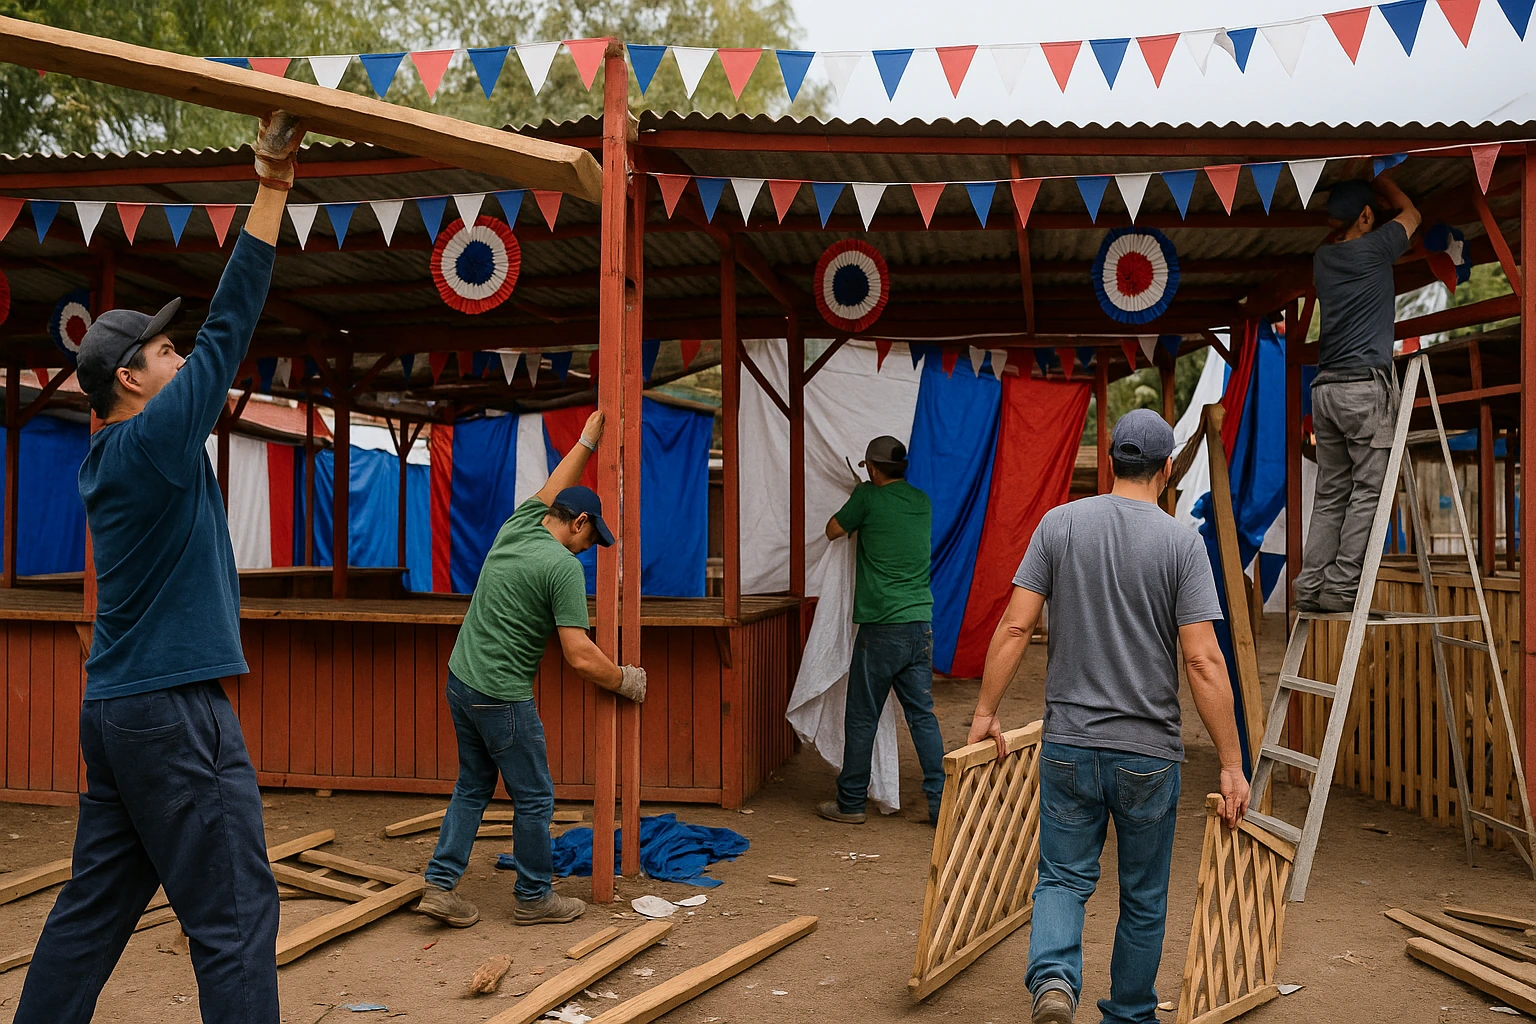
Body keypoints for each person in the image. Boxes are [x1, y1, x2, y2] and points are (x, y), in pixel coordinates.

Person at [14, 114, 305, 1024]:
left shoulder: (111, 458)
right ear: (133, 382)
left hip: (117, 713)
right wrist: (271, 183)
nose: (183, 359)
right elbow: (231, 324)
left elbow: (209, 343)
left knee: (93, 911)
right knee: (236, 916)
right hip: (175, 716)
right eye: (165, 352)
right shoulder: (152, 444)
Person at [967, 410, 1251, 1024]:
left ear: (1110, 460)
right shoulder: (1181, 543)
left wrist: (986, 712)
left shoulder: (1059, 525)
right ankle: (1128, 1014)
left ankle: (1053, 984)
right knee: (1144, 898)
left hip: (1069, 745)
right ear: (1167, 468)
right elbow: (1202, 661)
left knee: (1063, 878)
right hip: (1149, 754)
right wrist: (1231, 763)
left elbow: (1016, 624)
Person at [416, 410, 646, 928]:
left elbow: (552, 486)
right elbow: (579, 654)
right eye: (593, 539)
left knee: (473, 785)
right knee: (535, 796)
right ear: (580, 522)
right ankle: (534, 897)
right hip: (500, 694)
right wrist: (624, 679)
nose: (590, 550)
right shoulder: (562, 567)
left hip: (461, 679)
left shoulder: (518, 525)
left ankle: (440, 884)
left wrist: (587, 441)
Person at [1294, 172, 1421, 613]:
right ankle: (1343, 588)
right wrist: (1382, 178)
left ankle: (1311, 585)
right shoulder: (1376, 248)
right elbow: (1413, 214)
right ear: (1366, 215)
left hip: (1324, 389)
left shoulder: (1322, 258)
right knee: (1369, 489)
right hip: (1362, 389)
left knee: (1331, 493)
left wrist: (1371, 204)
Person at [815, 435, 946, 827]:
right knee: (922, 716)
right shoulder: (921, 502)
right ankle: (941, 803)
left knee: (861, 716)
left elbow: (832, 531)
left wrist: (859, 495)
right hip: (920, 624)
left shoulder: (867, 498)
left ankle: (851, 802)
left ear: (871, 468)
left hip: (881, 628)